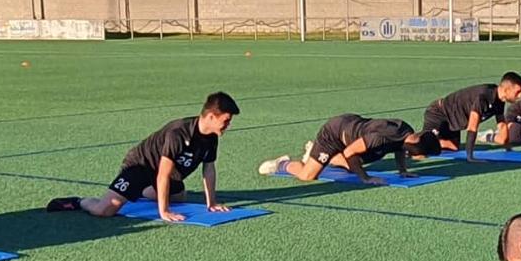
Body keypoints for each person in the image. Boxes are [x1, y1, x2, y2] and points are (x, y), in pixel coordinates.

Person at [46, 93, 238, 222]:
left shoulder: (212, 137)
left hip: (163, 173)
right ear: (212, 116)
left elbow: (209, 168)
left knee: (180, 197)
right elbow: (163, 174)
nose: (228, 125)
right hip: (140, 166)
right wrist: (164, 212)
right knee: (105, 211)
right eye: (226, 120)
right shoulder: (178, 133)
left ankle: (141, 192)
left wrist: (211, 203)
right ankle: (79, 201)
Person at [257, 114, 440, 185]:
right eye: (419, 154)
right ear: (415, 144)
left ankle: (315, 153)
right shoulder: (380, 137)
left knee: (359, 161)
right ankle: (283, 163)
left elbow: (399, 148)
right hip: (334, 134)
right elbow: (350, 152)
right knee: (308, 176)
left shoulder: (407, 133)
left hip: (353, 130)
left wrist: (403, 170)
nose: (417, 157)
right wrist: (365, 178)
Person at [421, 74, 521, 161]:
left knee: (452, 148)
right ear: (506, 89)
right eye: (517, 92)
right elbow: (472, 127)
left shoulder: (499, 100)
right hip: (438, 113)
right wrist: (470, 156)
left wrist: (508, 148)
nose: (520, 96)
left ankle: (434, 140)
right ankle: (409, 143)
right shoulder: (483, 97)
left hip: (453, 121)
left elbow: (502, 125)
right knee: (423, 148)